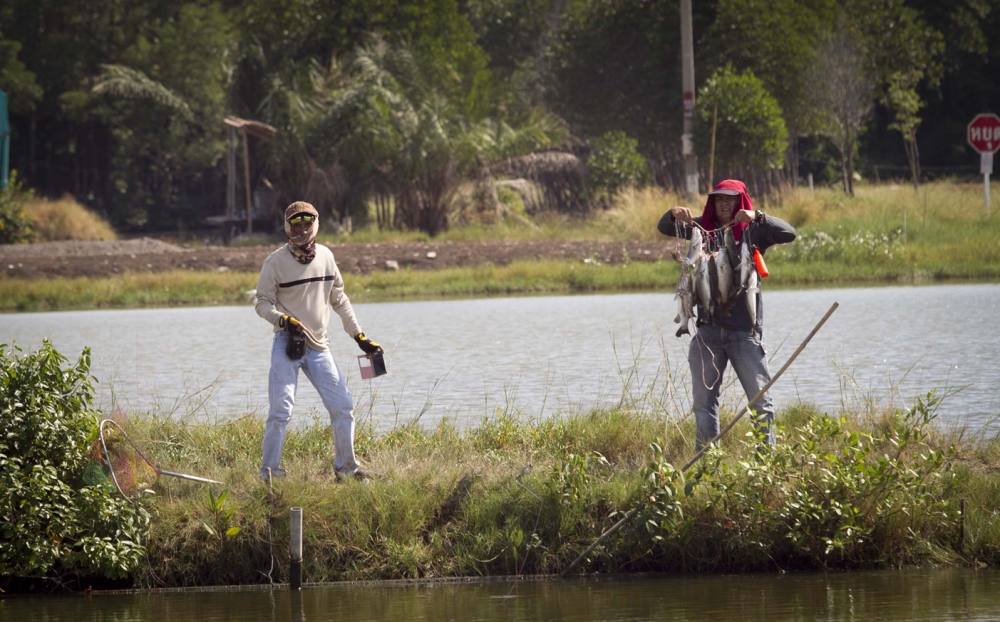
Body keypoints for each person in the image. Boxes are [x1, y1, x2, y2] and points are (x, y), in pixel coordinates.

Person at [657, 179, 795, 449]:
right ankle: (706, 462)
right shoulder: (701, 229)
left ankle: (766, 460)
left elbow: (789, 232)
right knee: (704, 403)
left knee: (761, 402)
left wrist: (759, 216)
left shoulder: (754, 232)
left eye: (730, 200)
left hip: (745, 333)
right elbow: (664, 226)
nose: (723, 204)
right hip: (708, 332)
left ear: (740, 202)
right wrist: (673, 213)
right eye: (719, 199)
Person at [254, 201, 383, 481]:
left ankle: (347, 469)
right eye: (295, 224)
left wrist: (359, 336)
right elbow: (262, 303)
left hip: (319, 346)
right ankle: (270, 474)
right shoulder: (275, 262)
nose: (301, 229)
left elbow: (339, 298)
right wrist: (283, 321)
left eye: (307, 222)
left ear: (316, 223)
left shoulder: (326, 256)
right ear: (287, 227)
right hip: (288, 343)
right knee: (281, 410)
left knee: (343, 406)